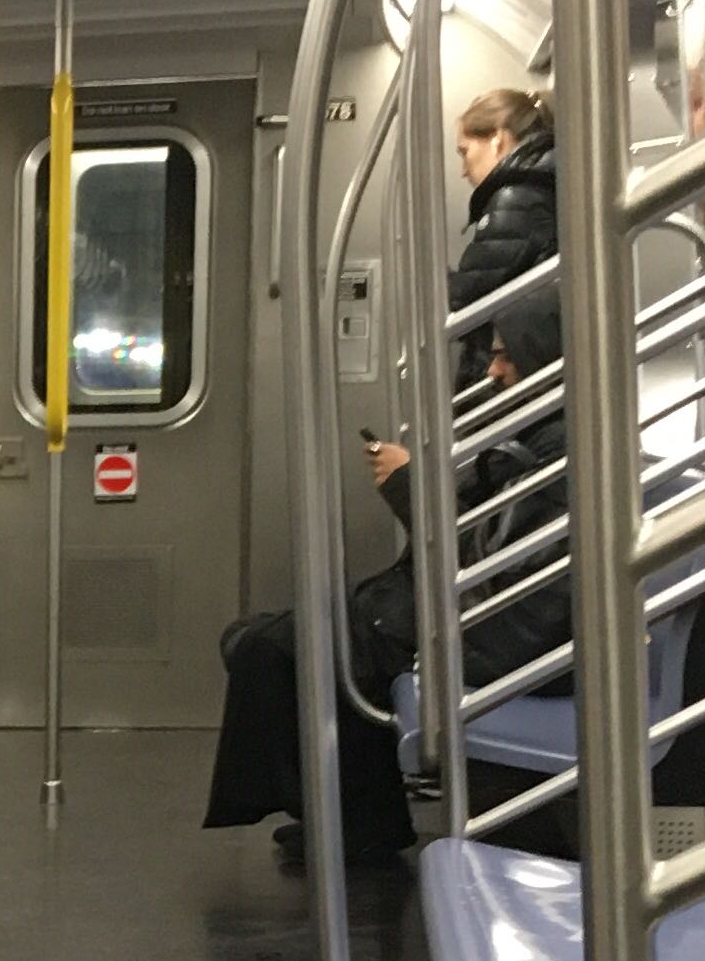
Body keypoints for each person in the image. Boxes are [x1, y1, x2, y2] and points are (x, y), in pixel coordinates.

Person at [202, 289, 573, 860]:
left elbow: (487, 559)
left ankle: (352, 822)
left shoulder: (558, 453)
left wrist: (407, 485)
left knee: (279, 649)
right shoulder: (540, 438)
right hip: (472, 607)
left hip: (490, 629)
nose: (494, 371)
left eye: (505, 356)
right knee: (266, 638)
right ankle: (351, 815)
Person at [449, 90, 559, 364]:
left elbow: (467, 297)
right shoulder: (541, 184)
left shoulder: (516, 198)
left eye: (465, 152)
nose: (463, 169)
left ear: (498, 140)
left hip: (510, 360)